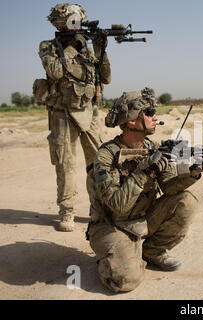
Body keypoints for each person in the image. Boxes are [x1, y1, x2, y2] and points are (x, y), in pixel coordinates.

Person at [86, 89, 203, 293]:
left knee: (185, 201)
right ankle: (115, 257)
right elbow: (117, 206)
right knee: (125, 281)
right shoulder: (106, 156)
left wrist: (193, 172)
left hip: (142, 219)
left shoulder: (152, 148)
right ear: (131, 120)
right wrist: (143, 171)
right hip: (111, 225)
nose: (155, 117)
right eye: (149, 112)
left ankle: (151, 252)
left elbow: (169, 187)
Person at [35, 3, 111, 231]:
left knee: (98, 163)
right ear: (60, 23)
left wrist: (100, 51)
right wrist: (73, 47)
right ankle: (67, 212)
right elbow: (56, 71)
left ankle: (98, 210)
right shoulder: (48, 46)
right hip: (62, 113)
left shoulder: (86, 48)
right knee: (66, 164)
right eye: (71, 21)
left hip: (90, 112)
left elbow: (105, 78)